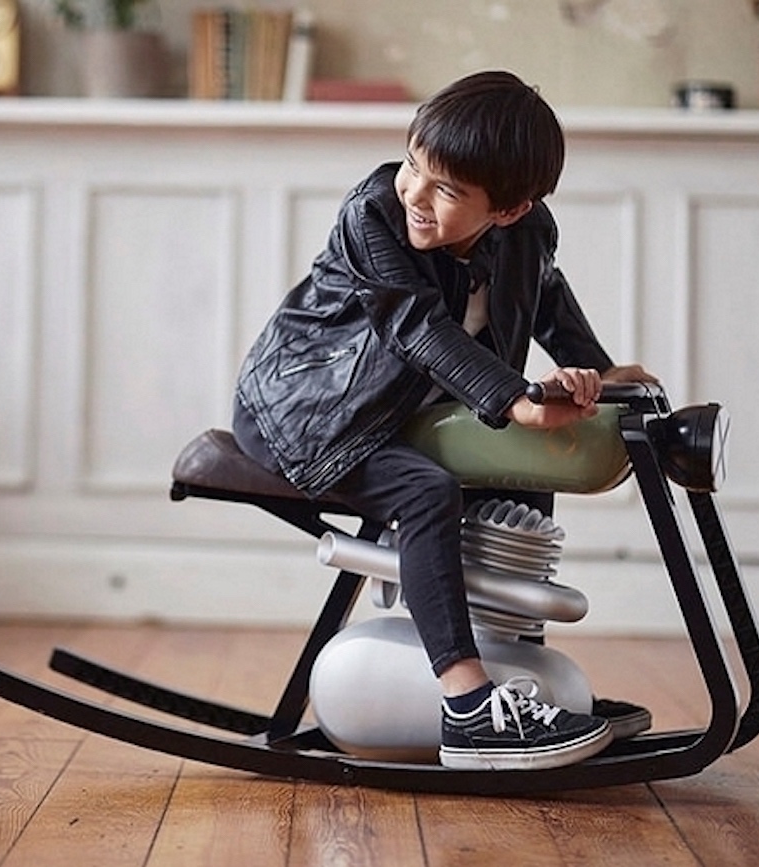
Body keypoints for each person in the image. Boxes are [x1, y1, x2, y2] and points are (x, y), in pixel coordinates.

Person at [231, 70, 658, 771]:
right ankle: (468, 707)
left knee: (523, 465)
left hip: (408, 414)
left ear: (510, 210)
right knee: (427, 490)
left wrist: (597, 378)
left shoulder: (529, 236)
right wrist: (516, 398)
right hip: (310, 410)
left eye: (446, 189)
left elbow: (545, 301)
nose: (414, 194)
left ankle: (523, 684)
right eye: (412, 166)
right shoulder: (372, 214)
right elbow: (414, 326)